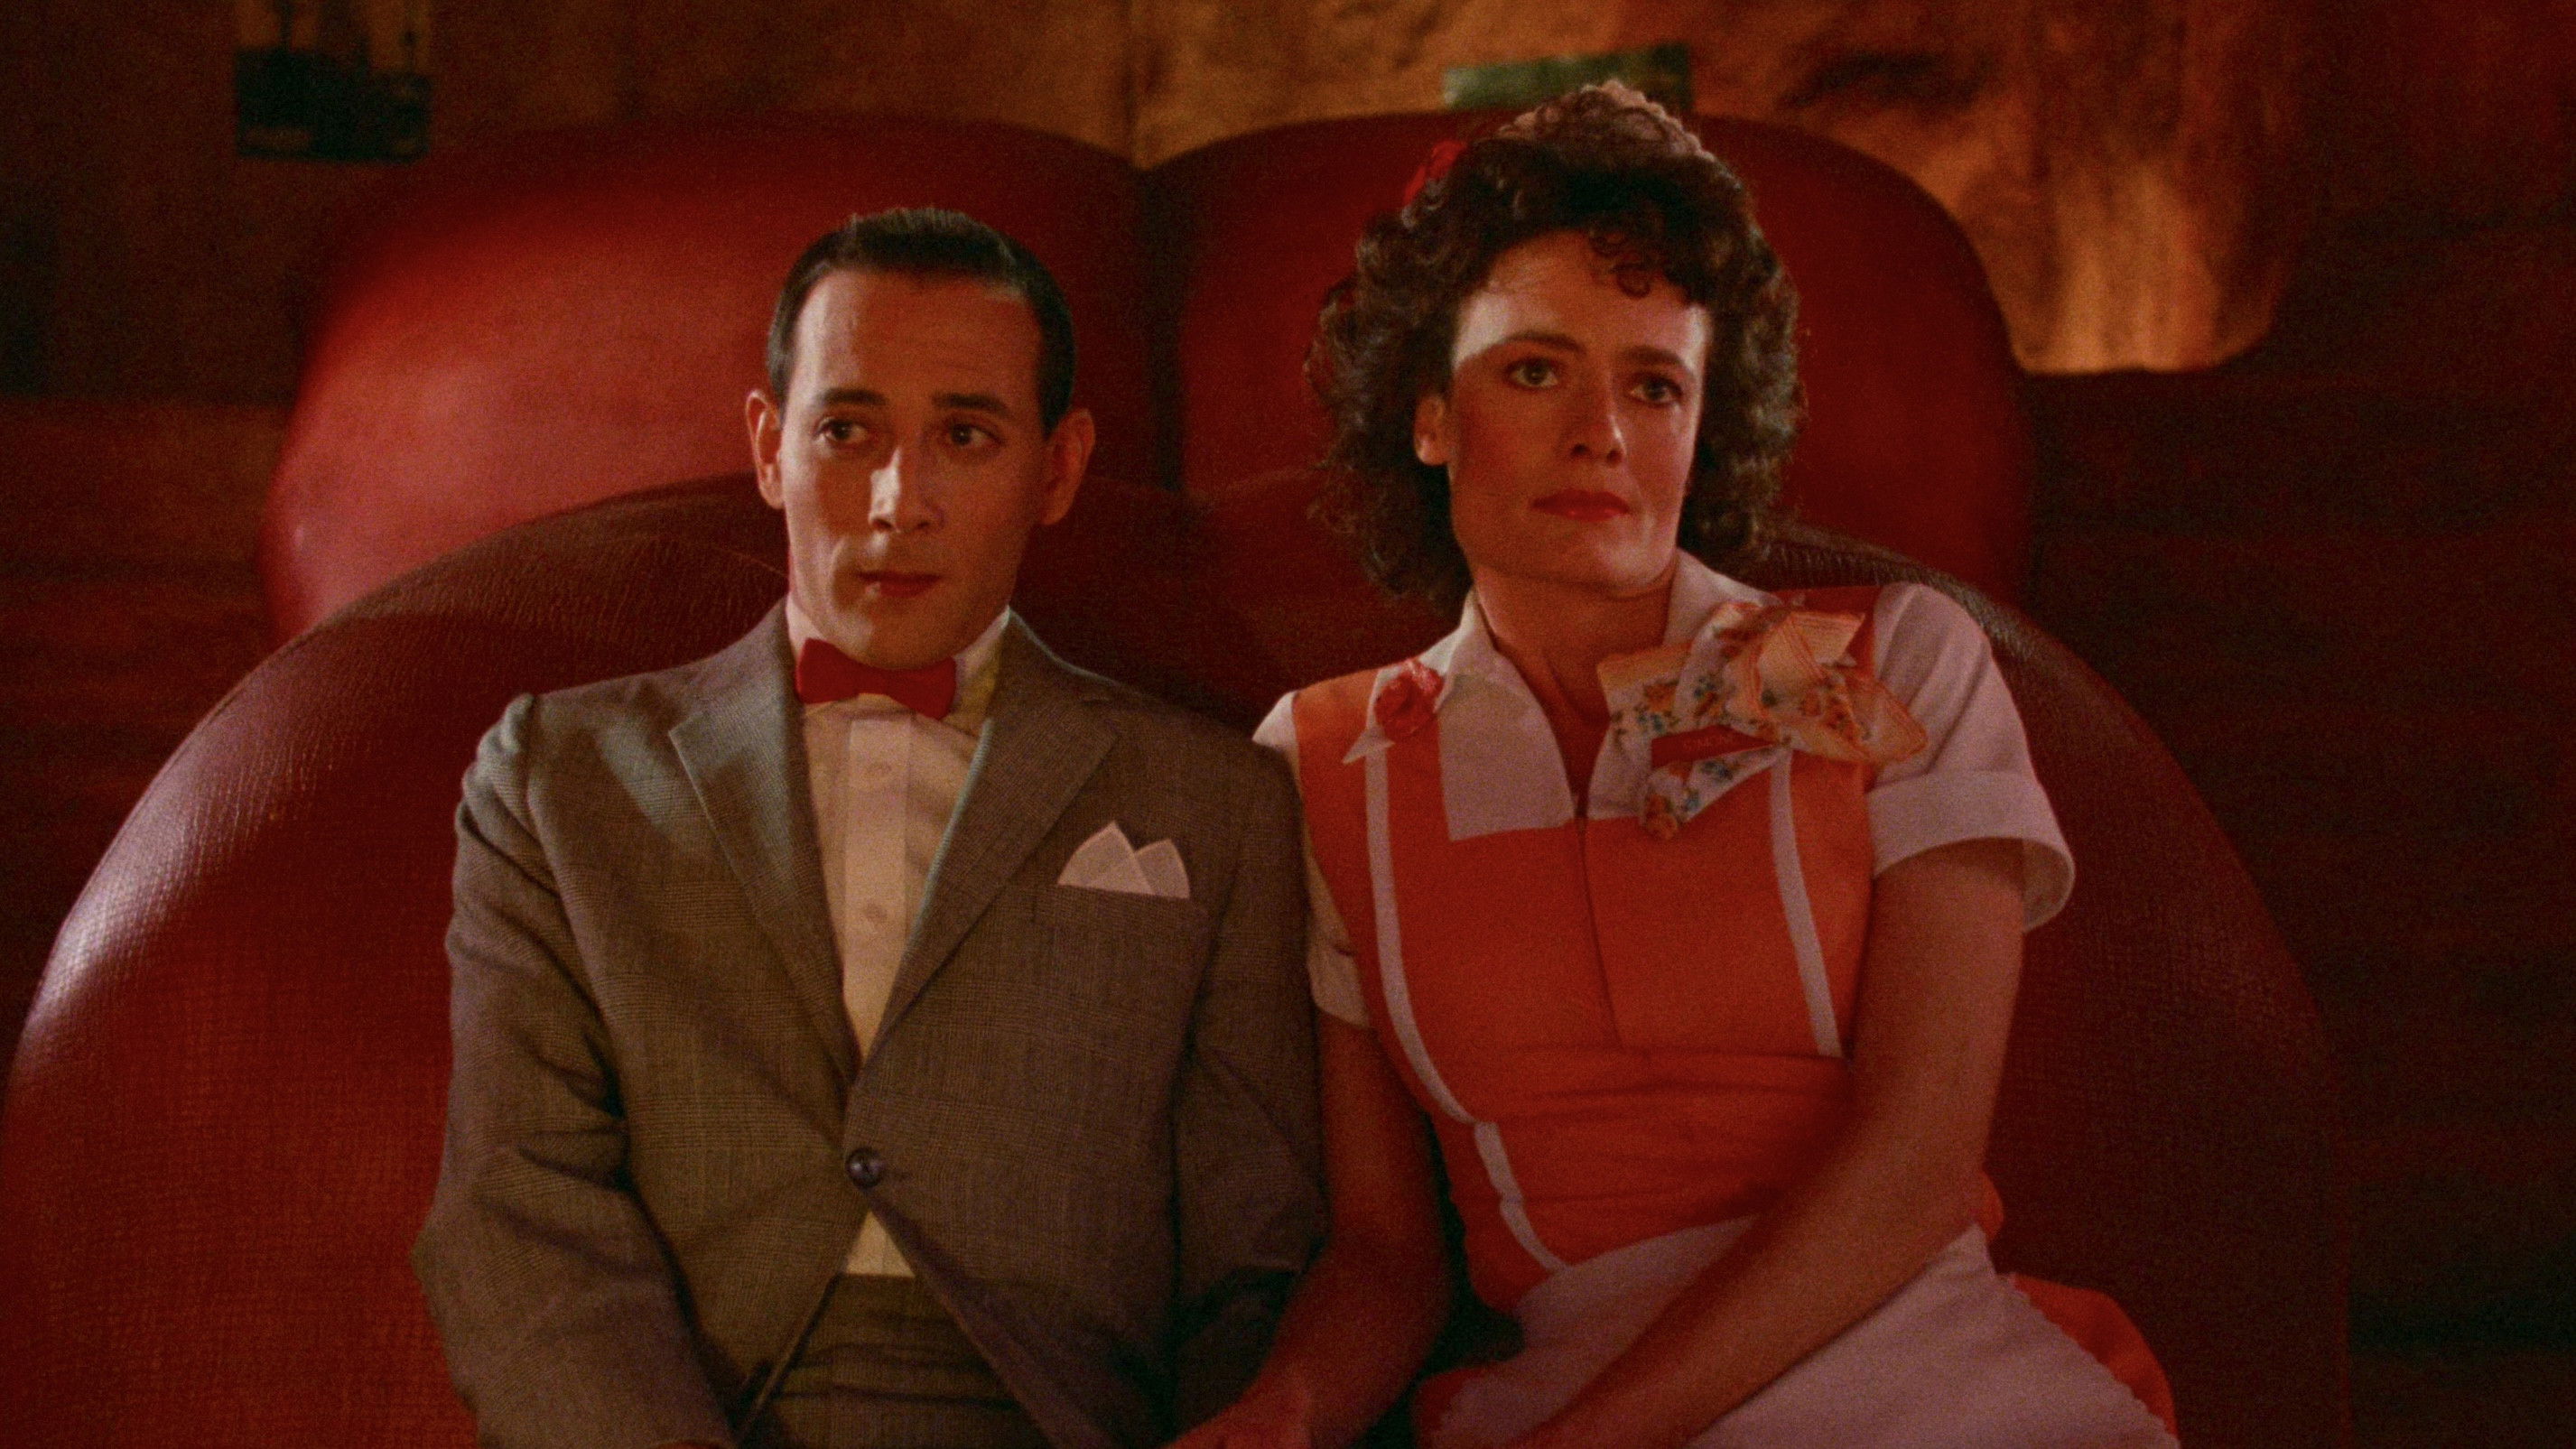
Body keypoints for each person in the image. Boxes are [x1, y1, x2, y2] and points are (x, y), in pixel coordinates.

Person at [1184, 85, 2181, 1449]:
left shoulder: (1902, 660)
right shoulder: (1321, 760)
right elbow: (1387, 1253)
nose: (1600, 428)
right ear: (1428, 415)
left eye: (1653, 385)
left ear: (1702, 426)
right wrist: (1283, 1413)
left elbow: (1918, 1165)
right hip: (1560, 1381)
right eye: (1534, 370)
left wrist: (1597, 1443)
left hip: (1922, 1368)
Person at [414, 207, 1324, 1449]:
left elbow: (1253, 1261)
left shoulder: (1216, 803)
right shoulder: (562, 778)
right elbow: (516, 1209)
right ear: (768, 447)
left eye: (965, 435)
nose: (900, 501)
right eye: (848, 431)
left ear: (1057, 469)